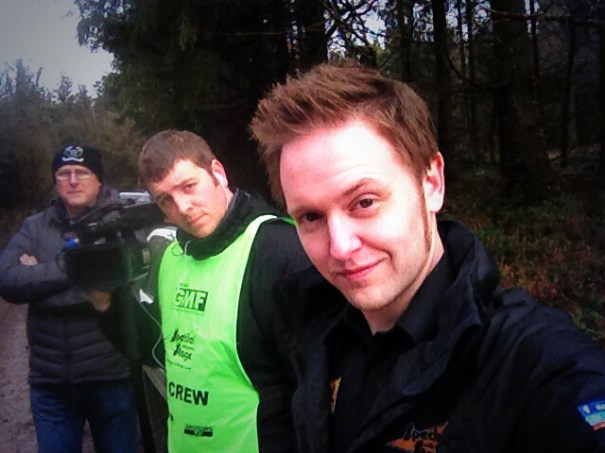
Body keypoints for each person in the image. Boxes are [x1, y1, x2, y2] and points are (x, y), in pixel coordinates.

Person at [250, 61, 605, 452]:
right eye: (311, 217)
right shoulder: (307, 328)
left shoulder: (530, 362)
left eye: (364, 202)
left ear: (432, 183)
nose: (340, 248)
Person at [130, 129, 310, 452]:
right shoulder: (171, 257)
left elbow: (314, 386)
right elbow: (158, 351)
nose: (183, 207)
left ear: (218, 173)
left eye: (188, 186)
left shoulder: (277, 249)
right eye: (165, 199)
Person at [0, 145, 139, 453]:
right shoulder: (35, 227)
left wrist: (40, 280)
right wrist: (78, 270)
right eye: (64, 173)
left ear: (99, 180)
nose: (73, 180)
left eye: (82, 172)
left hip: (110, 376)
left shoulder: (118, 222)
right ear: (55, 182)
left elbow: (125, 280)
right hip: (51, 384)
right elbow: (8, 281)